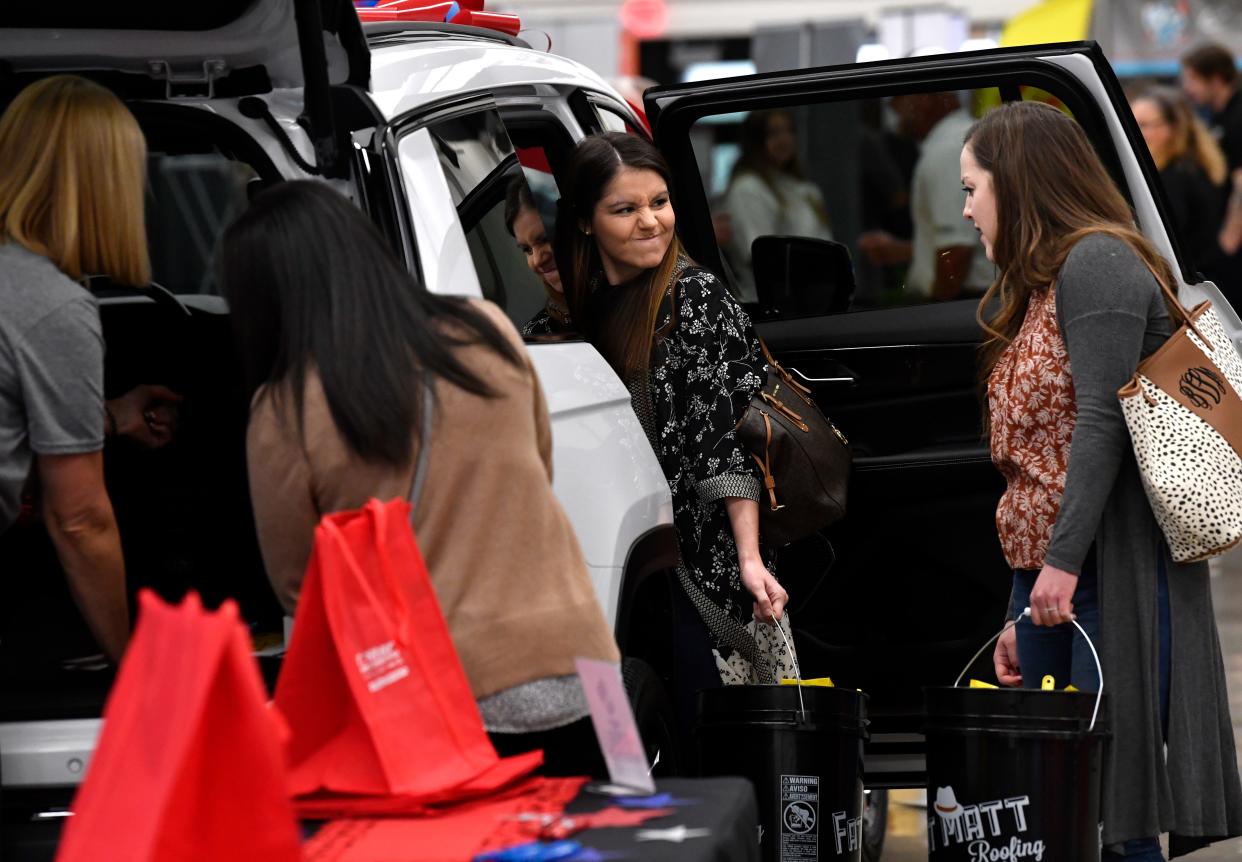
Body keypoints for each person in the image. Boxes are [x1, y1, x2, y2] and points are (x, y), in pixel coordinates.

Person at [224, 180, 618, 776]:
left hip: (446, 699)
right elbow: (539, 466)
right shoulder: (486, 328)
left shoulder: (286, 409)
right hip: (587, 665)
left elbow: (300, 587)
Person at [968, 101, 1242, 858]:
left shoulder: (1097, 262)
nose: (963, 209)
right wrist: (1018, 605)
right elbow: (1036, 466)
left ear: (1018, 185)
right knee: (1065, 804)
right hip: (1053, 575)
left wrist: (1054, 570)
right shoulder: (1043, 282)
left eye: (972, 188)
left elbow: (1102, 421)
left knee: (1113, 801)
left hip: (1103, 570)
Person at [556, 131, 795, 717]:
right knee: (642, 725)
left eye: (659, 202)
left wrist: (749, 559)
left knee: (717, 733)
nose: (650, 222)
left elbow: (728, 443)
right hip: (617, 556)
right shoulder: (581, 310)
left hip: (704, 563)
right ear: (586, 222)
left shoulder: (695, 297)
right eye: (625, 209)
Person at [0, 75, 181, 663]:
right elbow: (78, 519)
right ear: (101, 185)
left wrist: (103, 416)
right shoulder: (49, 302)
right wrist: (129, 673)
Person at [859, 91, 994, 300]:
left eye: (897, 99)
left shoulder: (946, 151)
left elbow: (957, 252)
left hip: (965, 303)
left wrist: (934, 316)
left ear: (926, 98)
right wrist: (904, 250)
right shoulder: (965, 138)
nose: (893, 110)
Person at [723, 109, 832, 303]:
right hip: (769, 304)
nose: (784, 139)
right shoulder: (747, 188)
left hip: (810, 300)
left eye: (789, 131)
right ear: (755, 140)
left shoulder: (804, 188)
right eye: (774, 133)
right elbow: (759, 255)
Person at [1129, 86, 1228, 278]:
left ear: (1171, 128)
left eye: (1143, 125)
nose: (1132, 132)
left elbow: (1162, 244)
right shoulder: (1197, 166)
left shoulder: (1174, 178)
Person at [502, 178, 571, 336]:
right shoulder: (539, 333)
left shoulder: (632, 294)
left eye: (545, 238)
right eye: (527, 249)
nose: (537, 260)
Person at [1180, 42, 1242, 173]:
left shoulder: (1237, 116)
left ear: (1216, 80)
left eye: (1193, 79)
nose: (1187, 88)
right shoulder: (1215, 114)